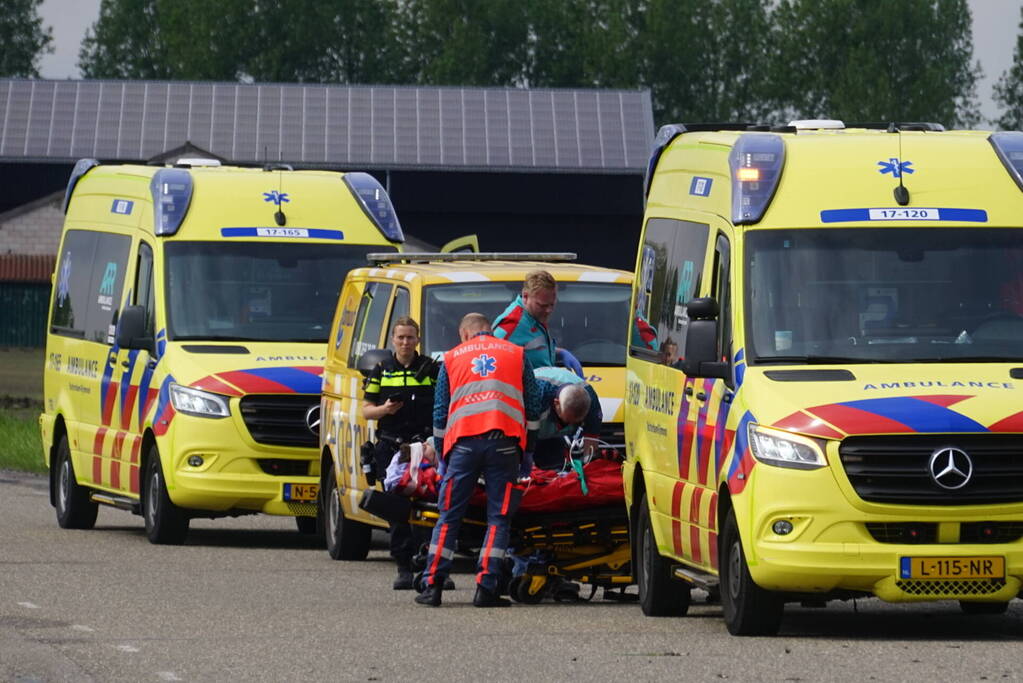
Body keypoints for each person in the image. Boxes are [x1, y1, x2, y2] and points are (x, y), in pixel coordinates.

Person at [415, 313, 541, 608]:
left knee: (449, 516)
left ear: (464, 334)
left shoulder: (451, 358)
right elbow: (533, 406)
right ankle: (487, 588)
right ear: (490, 330)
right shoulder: (517, 354)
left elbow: (440, 412)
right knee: (498, 518)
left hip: (463, 446)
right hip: (505, 446)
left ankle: (432, 586)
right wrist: (529, 450)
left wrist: (442, 452)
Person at [361, 316, 443, 591]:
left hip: (425, 447)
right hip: (391, 446)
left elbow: (446, 405)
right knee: (397, 509)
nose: (406, 342)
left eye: (410, 337)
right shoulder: (382, 369)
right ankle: (403, 566)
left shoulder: (432, 369)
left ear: (418, 340)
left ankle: (431, 565)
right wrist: (385, 410)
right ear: (393, 340)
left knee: (432, 506)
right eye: (401, 338)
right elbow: (365, 410)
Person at [493, 269, 585, 377]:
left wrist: (558, 353)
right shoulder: (512, 324)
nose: (549, 310)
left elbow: (528, 349)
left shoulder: (534, 316)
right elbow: (491, 361)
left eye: (552, 304)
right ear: (526, 296)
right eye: (542, 305)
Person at [530, 365, 603, 471]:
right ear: (557, 404)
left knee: (557, 468)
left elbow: (591, 444)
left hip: (554, 434)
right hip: (530, 424)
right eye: (566, 421)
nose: (569, 425)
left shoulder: (591, 403)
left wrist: (587, 467)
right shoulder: (535, 396)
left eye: (576, 423)